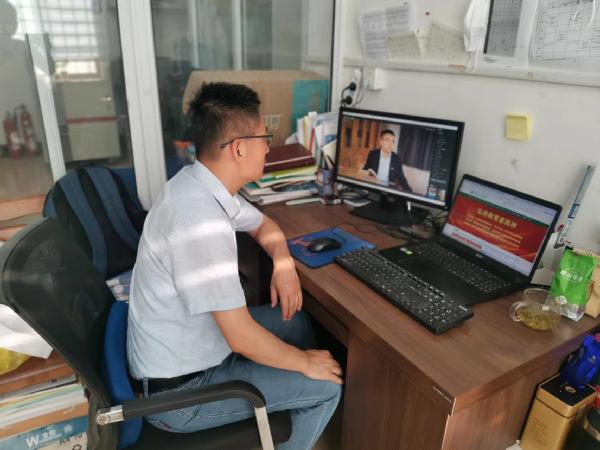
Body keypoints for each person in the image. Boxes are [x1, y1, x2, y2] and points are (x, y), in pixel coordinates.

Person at [127, 82, 342, 450]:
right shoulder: (198, 221)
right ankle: (300, 400)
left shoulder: (198, 184)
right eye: (265, 137)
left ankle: (284, 409)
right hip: (181, 394)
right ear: (239, 148)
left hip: (193, 347)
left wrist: (283, 262)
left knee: (296, 321)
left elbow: (262, 224)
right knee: (325, 387)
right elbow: (240, 337)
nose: (269, 147)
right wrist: (305, 364)